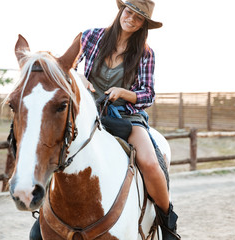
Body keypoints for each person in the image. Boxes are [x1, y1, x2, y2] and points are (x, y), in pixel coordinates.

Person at [77, 1, 180, 239]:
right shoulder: (91, 36)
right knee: (60, 150)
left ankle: (167, 223)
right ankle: (45, 216)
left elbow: (148, 94)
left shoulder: (145, 53)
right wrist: (79, 77)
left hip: (125, 114)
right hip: (87, 112)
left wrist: (123, 93)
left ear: (144, 24)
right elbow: (67, 66)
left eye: (138, 18)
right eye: (129, 12)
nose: (131, 19)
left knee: (151, 164)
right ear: (121, 10)